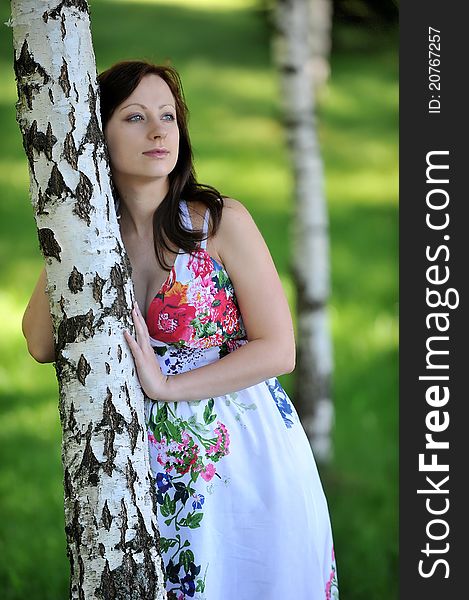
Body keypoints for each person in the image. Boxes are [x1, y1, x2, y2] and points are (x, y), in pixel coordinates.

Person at [22, 60, 338, 600]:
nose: (158, 130)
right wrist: (74, 232)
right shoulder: (92, 237)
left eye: (168, 116)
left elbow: (279, 349)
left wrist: (168, 387)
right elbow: (40, 342)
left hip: (240, 452)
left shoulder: (219, 223)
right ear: (94, 133)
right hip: (139, 462)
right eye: (135, 116)